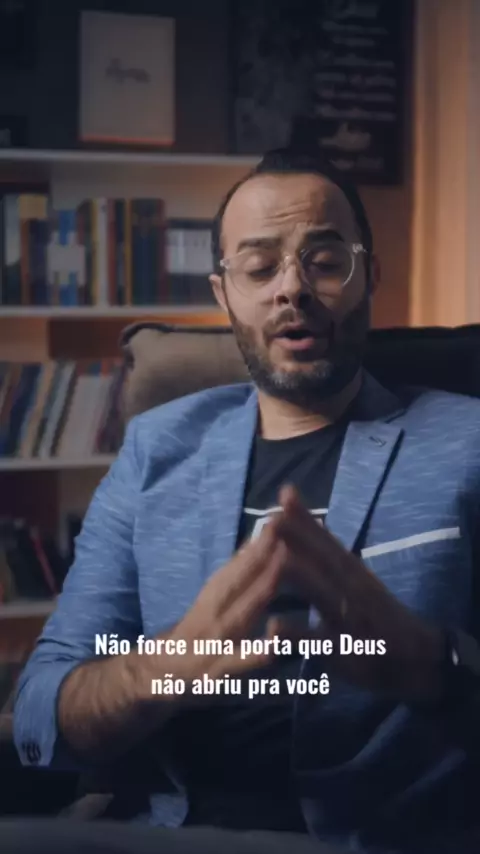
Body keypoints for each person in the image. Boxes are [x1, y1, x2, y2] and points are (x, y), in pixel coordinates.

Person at [10, 146, 480, 854]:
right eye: (260, 267)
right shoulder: (156, 449)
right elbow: (41, 709)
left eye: (325, 261)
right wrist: (171, 665)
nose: (292, 288)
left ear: (370, 277)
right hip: (174, 835)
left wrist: (431, 662)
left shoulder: (467, 441)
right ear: (223, 294)